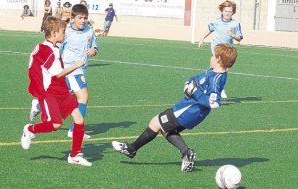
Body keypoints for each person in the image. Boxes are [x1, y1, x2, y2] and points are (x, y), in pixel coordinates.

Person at [112, 43, 238, 172]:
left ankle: (131, 149)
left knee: (156, 122)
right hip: (189, 109)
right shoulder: (214, 71)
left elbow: (214, 102)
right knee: (166, 130)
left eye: (213, 55)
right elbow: (200, 82)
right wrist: (189, 84)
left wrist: (194, 91)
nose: (211, 57)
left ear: (218, 59)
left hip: (188, 110)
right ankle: (185, 153)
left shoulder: (217, 78)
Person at [21, 16, 92, 167]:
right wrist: (77, 65)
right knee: (55, 124)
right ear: (53, 33)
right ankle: (29, 129)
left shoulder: (51, 47)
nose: (64, 34)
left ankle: (75, 155)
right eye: (62, 31)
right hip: (49, 92)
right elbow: (58, 74)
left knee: (79, 119)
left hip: (62, 90)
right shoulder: (49, 51)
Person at [29, 4, 98, 139]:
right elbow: (55, 47)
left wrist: (93, 51)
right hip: (70, 71)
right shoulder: (66, 33)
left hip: (79, 70)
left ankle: (38, 104)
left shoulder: (90, 31)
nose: (83, 21)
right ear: (72, 18)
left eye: (85, 18)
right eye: (80, 18)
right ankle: (74, 130)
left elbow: (95, 46)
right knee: (83, 97)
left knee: (66, 99)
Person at [198, 0, 243, 99]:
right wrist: (202, 38)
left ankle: (206, 84)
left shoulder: (235, 24)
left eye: (230, 11)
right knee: (219, 67)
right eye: (226, 11)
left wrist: (232, 35)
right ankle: (218, 89)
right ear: (222, 11)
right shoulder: (216, 22)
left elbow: (239, 38)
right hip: (217, 47)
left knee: (222, 69)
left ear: (233, 13)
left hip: (228, 49)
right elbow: (209, 30)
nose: (228, 13)